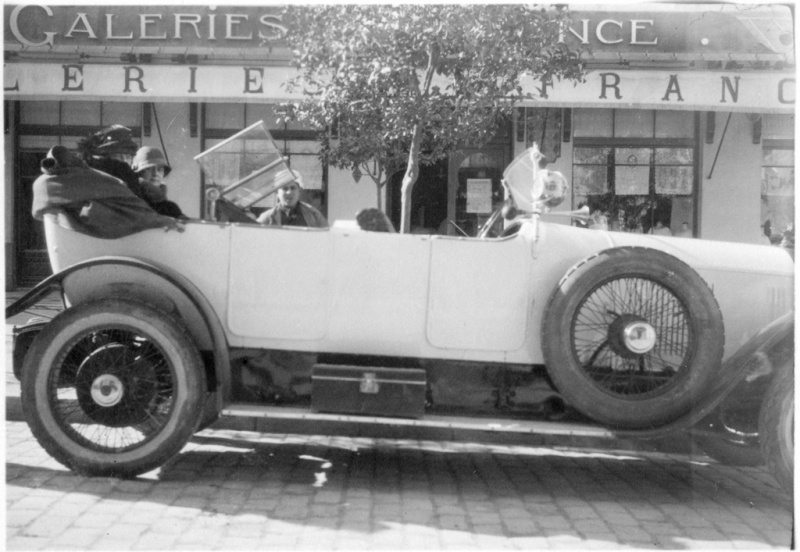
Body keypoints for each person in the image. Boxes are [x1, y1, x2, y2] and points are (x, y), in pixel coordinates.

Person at [257, 170, 328, 228]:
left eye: (293, 188)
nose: (289, 192)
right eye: (285, 188)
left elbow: (327, 236)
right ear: (277, 192)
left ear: (299, 190)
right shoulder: (268, 217)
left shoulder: (313, 214)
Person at [131, 146, 186, 219]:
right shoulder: (131, 201)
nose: (155, 173)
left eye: (159, 169)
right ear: (139, 173)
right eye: (149, 169)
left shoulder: (170, 208)